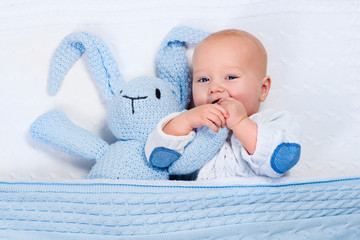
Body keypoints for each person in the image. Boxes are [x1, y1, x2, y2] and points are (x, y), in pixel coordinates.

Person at [145, 29, 301, 180]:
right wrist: (187, 120)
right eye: (203, 79)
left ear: (263, 89)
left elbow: (282, 160)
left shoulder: (273, 121)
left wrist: (240, 123)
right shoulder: (194, 126)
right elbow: (157, 158)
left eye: (230, 77)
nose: (214, 88)